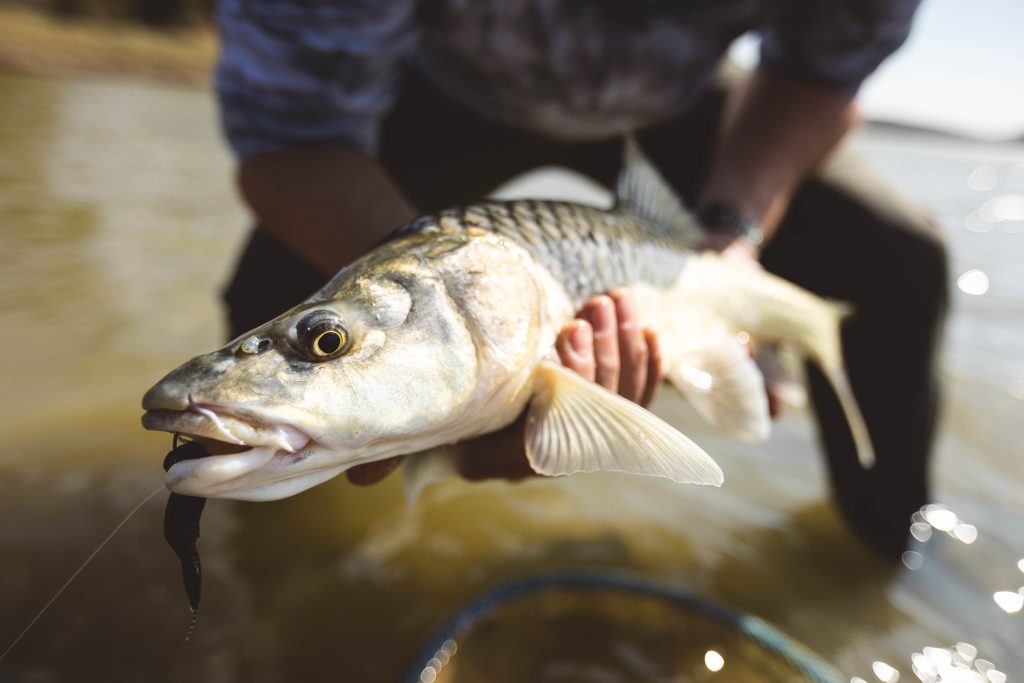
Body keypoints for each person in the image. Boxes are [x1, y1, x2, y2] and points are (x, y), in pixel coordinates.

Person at [215, 0, 948, 558]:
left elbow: (820, 72)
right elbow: (292, 126)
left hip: (681, 102)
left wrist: (731, 234)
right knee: (274, 299)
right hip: (435, 91)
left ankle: (889, 548)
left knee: (902, 260)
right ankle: (271, 563)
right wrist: (479, 388)